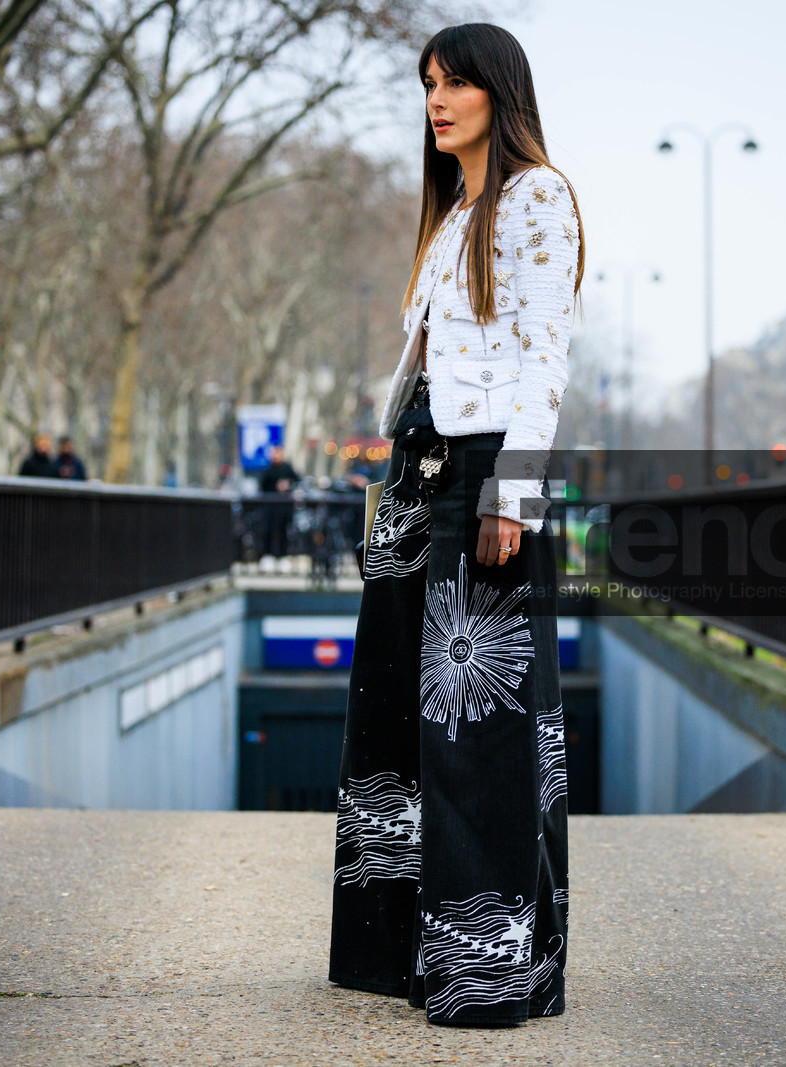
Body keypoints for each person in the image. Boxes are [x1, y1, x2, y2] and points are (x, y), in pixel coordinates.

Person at [328, 23, 582, 1027]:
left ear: (498, 94)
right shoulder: (453, 214)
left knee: (480, 729)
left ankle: (490, 971)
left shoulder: (537, 198)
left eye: (455, 83)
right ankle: (397, 953)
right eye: (428, 83)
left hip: (481, 476)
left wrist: (509, 496)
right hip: (416, 470)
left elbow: (543, 359)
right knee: (391, 712)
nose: (436, 99)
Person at [258, 445, 300, 559]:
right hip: (270, 507)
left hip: (284, 507)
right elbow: (262, 487)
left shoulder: (288, 469)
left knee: (284, 532)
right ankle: (267, 555)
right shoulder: (268, 470)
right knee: (268, 531)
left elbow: (297, 482)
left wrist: (288, 485)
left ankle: (283, 555)